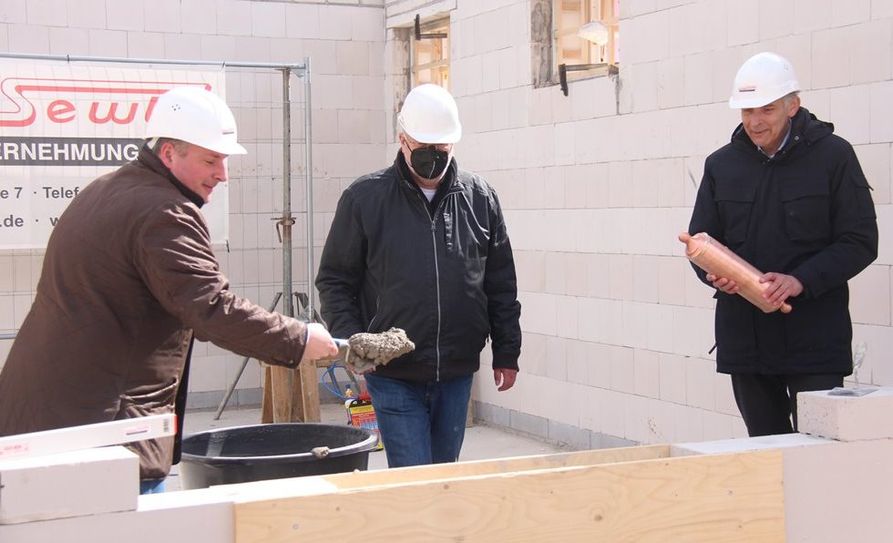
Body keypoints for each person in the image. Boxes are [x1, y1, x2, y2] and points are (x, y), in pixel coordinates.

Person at [0, 87, 339, 493]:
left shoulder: (104, 191)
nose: (222, 173)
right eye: (210, 160)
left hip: (48, 420)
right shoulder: (165, 213)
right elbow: (211, 308)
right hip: (105, 432)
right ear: (168, 154)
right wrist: (299, 339)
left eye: (224, 160)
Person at [316, 84, 522, 468]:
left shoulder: (480, 198)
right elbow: (334, 280)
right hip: (392, 373)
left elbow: (500, 282)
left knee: (442, 476)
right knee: (414, 475)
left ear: (453, 146)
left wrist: (506, 350)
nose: (433, 158)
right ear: (402, 140)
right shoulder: (364, 199)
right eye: (423, 148)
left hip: (457, 371)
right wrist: (356, 346)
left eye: (441, 151)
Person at [687, 52, 878, 436]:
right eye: (746, 111)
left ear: (793, 105)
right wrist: (715, 275)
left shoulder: (833, 157)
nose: (755, 122)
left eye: (766, 110)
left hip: (815, 340)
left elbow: (860, 240)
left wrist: (800, 280)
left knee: (819, 457)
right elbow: (703, 239)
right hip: (747, 342)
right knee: (766, 456)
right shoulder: (720, 166)